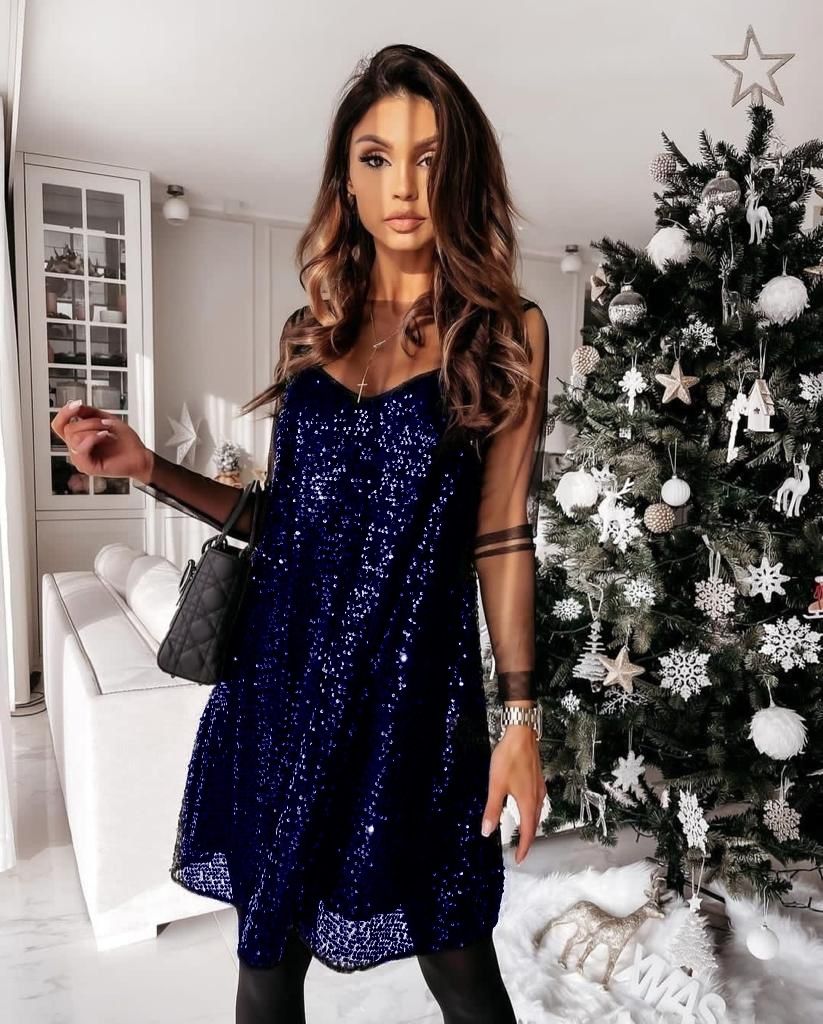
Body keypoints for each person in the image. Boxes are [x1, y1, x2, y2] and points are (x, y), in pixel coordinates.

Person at [51, 43, 550, 1024]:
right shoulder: (311, 329)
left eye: (429, 158)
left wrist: (521, 719)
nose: (402, 185)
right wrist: (148, 467)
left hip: (415, 702)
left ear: (460, 174)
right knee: (266, 964)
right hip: (277, 689)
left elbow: (501, 536)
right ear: (344, 179)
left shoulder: (503, 329)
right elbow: (285, 524)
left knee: (458, 961)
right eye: (376, 157)